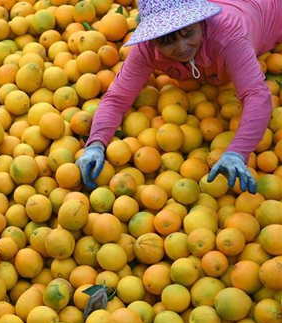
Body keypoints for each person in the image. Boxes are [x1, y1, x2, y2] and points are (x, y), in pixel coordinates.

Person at [75, 0, 282, 194]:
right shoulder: (148, 48)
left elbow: (256, 94)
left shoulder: (229, 37)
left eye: (188, 33)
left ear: (200, 21)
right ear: (154, 40)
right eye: (167, 41)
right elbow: (117, 98)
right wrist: (95, 145)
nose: (182, 48)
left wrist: (237, 152)